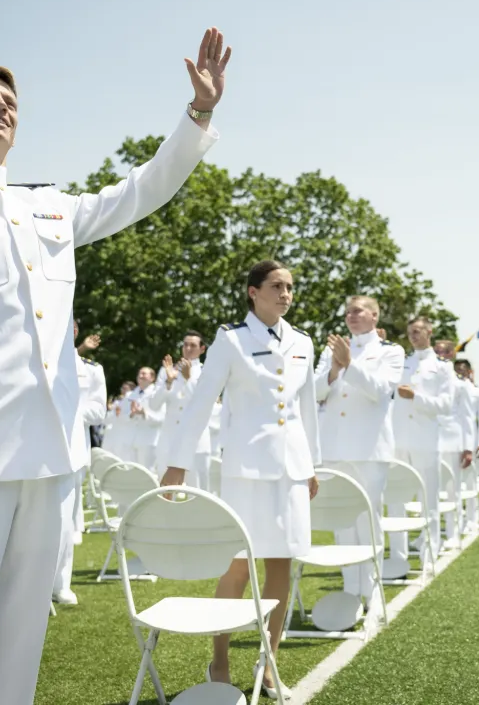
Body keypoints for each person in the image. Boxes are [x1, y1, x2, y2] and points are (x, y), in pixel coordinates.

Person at [0, 27, 231, 705]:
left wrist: (198, 115)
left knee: (18, 640)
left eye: (8, 99)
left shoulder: (50, 206)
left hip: (53, 456)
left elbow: (142, 190)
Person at [161, 260, 319, 698]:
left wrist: (311, 466)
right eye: (276, 286)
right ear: (253, 292)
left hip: (291, 470)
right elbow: (201, 402)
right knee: (237, 566)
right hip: (246, 470)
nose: (286, 294)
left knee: (283, 565)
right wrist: (177, 463)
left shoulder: (303, 342)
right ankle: (220, 659)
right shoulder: (230, 340)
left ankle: (270, 663)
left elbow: (306, 410)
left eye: (289, 287)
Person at [314, 295, 403, 615]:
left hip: (369, 449)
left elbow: (380, 389)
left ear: (375, 316)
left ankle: (373, 589)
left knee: (368, 520)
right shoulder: (331, 350)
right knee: (342, 522)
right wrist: (334, 370)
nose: (351, 316)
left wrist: (349, 364)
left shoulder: (390, 351)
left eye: (358, 310)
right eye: (348, 311)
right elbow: (313, 392)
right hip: (335, 447)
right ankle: (351, 588)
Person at [390, 317, 455, 562]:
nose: (413, 336)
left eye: (417, 332)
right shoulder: (402, 362)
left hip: (425, 439)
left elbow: (446, 405)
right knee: (396, 496)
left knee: (428, 495)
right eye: (410, 332)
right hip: (399, 438)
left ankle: (431, 546)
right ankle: (398, 553)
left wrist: (415, 397)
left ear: (429, 332)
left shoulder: (442, 367)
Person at [53, 321, 107, 606]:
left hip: (74, 448)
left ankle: (61, 583)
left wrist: (70, 408)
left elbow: (99, 410)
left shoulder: (91, 369)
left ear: (75, 333)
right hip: (39, 446)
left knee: (67, 520)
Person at [153, 332, 210, 486]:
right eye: (185, 344)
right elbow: (153, 405)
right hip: (169, 439)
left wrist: (188, 378)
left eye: (193, 345)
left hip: (196, 440)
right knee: (165, 490)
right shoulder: (168, 370)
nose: (188, 348)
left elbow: (204, 401)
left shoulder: (207, 370)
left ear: (202, 349)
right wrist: (168, 382)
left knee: (198, 494)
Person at [432, 339, 473, 549]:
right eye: (436, 351)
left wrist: (468, 447)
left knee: (451, 490)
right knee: (428, 491)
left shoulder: (460, 384)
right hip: (429, 439)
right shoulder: (427, 377)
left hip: (451, 439)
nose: (439, 354)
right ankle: (428, 536)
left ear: (452, 355)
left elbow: (467, 417)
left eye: (444, 352)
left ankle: (452, 532)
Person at [453, 358, 479, 531]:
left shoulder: (478, 392)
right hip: (450, 439)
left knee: (469, 481)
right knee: (451, 484)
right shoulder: (449, 386)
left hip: (469, 439)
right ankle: (456, 521)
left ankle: (472, 517)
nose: (460, 372)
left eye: (462, 369)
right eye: (457, 369)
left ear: (469, 371)